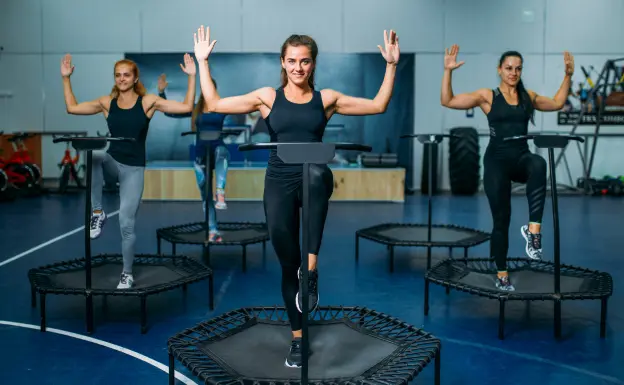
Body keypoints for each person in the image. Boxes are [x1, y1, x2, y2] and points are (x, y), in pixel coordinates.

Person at [192, 25, 399, 368]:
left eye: (304, 61)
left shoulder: (327, 99)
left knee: (317, 173)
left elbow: (378, 105)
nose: (298, 68)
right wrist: (203, 62)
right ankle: (298, 338)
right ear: (283, 63)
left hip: (313, 176)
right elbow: (213, 102)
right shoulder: (267, 98)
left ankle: (312, 269)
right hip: (279, 180)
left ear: (313, 64)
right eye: (292, 61)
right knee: (288, 263)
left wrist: (391, 65)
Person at [440, 44, 574, 291]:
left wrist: (568, 75)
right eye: (509, 68)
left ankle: (533, 231)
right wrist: (448, 71)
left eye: (518, 69)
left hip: (521, 159)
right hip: (496, 163)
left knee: (539, 162)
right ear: (499, 70)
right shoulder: (488, 96)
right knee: (502, 220)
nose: (513, 72)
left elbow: (556, 103)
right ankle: (501, 273)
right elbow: (447, 101)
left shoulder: (528, 97)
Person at [61, 53, 197, 289]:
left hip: (134, 169)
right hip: (113, 162)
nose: (122, 79)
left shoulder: (148, 102)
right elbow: (72, 108)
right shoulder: (106, 103)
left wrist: (193, 76)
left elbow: (186, 107)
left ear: (135, 79)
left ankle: (127, 273)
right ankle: (97, 212)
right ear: (115, 79)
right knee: (95, 155)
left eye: (126, 75)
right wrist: (66, 79)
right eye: (118, 75)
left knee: (126, 224)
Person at [157, 73, 229, 242]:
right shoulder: (195, 108)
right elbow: (171, 113)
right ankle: (213, 230)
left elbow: (246, 107)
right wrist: (161, 94)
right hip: (200, 155)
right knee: (205, 197)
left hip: (218, 151)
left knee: (223, 152)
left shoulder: (223, 107)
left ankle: (221, 192)